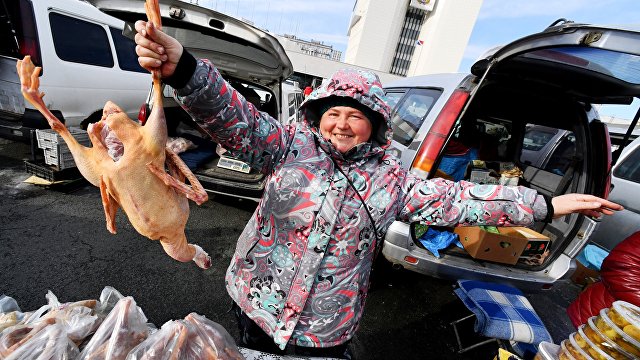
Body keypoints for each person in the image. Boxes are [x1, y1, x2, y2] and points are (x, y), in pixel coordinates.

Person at [134, 20, 622, 358]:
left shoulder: (392, 178)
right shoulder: (284, 148)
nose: (343, 124)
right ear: (316, 116)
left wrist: (546, 203)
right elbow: (233, 115)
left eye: (356, 115)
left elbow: (458, 201)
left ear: (375, 126)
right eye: (334, 112)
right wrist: (185, 70)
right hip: (256, 300)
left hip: (327, 325)